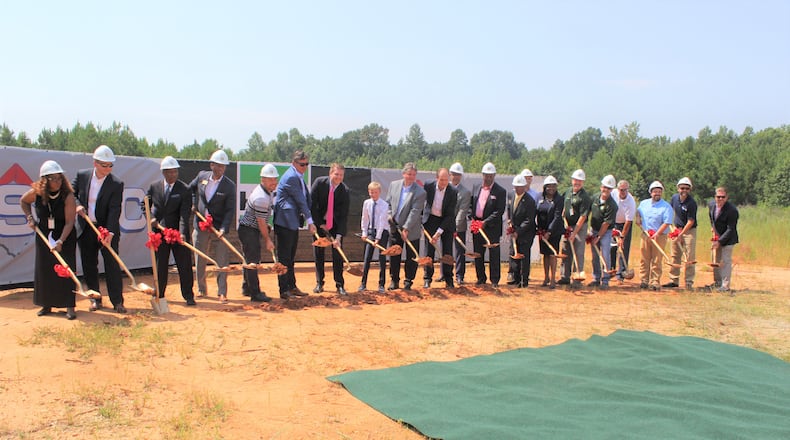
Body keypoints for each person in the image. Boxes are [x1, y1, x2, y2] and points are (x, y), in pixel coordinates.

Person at [20, 161, 78, 319]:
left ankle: (69, 305)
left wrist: (60, 241)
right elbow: (23, 202)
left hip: (64, 235)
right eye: (53, 179)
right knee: (45, 269)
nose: (57, 182)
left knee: (65, 270)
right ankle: (46, 304)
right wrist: (30, 218)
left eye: (59, 178)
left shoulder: (68, 196)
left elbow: (69, 222)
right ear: (45, 180)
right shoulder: (36, 193)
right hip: (44, 234)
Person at [73, 145, 126, 313]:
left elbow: (114, 209)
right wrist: (78, 206)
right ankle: (95, 299)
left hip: (106, 230)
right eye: (105, 165)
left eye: (111, 165)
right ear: (95, 163)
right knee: (89, 265)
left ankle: (117, 301)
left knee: (112, 264)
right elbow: (71, 194)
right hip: (86, 227)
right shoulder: (82, 176)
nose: (108, 168)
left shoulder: (116, 183)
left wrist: (109, 232)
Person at [189, 150, 236, 304]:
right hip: (201, 225)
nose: (221, 169)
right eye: (218, 166)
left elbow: (230, 210)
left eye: (224, 167)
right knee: (200, 258)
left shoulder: (229, 186)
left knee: (222, 260)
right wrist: (194, 203)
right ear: (212, 165)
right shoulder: (202, 176)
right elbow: (190, 190)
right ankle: (201, 289)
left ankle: (222, 292)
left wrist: (223, 228)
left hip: (219, 228)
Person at [147, 156, 195, 306]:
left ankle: (188, 295)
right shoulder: (154, 187)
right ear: (163, 172)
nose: (172, 175)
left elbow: (184, 214)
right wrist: (151, 218)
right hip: (160, 234)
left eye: (175, 172)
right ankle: (160, 293)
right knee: (160, 265)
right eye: (169, 172)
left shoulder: (184, 189)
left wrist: (181, 233)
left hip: (177, 233)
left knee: (184, 265)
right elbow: (145, 205)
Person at [274, 150, 317, 299]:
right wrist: (310, 221)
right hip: (284, 222)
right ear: (294, 163)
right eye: (302, 164)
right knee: (284, 257)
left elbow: (305, 200)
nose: (304, 167)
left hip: (291, 223)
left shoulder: (298, 176)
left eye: (306, 164)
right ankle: (284, 290)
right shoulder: (291, 177)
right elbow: (300, 201)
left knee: (290, 257)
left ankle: (291, 287)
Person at [237, 163, 279, 303]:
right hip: (249, 230)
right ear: (263, 179)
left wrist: (266, 225)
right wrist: (268, 240)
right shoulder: (261, 197)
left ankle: (246, 287)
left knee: (249, 260)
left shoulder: (266, 192)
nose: (274, 182)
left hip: (249, 229)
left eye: (275, 179)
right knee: (253, 261)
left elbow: (261, 219)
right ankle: (255, 293)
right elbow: (260, 221)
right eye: (270, 179)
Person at [385, 162, 427, 291]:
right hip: (394, 227)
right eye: (409, 174)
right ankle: (394, 280)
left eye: (413, 175)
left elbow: (415, 211)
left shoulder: (420, 192)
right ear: (404, 174)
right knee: (394, 254)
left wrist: (406, 228)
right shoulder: (394, 185)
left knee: (411, 256)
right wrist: (389, 215)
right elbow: (388, 203)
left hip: (411, 229)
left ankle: (408, 281)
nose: (411, 177)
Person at [310, 163, 350, 295]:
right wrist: (319, 223)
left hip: (335, 226)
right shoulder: (319, 183)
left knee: (337, 255)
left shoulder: (345, 191)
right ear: (330, 173)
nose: (339, 177)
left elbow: (344, 215)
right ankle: (319, 283)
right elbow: (312, 205)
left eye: (341, 175)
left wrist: (338, 236)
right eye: (336, 174)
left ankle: (339, 285)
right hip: (319, 224)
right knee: (319, 254)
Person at [470, 162, 507, 287]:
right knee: (478, 254)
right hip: (477, 227)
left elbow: (499, 211)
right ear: (482, 175)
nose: (488, 178)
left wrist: (485, 222)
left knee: (494, 255)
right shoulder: (476, 187)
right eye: (486, 175)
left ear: (494, 175)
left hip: (492, 228)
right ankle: (481, 277)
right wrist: (472, 218)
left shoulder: (500, 191)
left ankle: (494, 280)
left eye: (491, 176)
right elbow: (471, 205)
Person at [422, 168, 457, 289]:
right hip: (431, 219)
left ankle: (448, 279)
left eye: (446, 180)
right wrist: (421, 219)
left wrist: (438, 233)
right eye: (441, 180)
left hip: (446, 222)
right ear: (437, 178)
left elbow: (450, 214)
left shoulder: (453, 191)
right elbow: (422, 201)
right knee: (429, 251)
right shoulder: (428, 185)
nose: (444, 183)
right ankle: (427, 278)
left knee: (447, 251)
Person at [634, 181, 673, 290]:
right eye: (655, 191)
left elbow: (667, 222)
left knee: (657, 259)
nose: (657, 193)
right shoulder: (644, 203)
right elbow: (638, 212)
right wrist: (638, 219)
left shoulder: (666, 206)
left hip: (659, 236)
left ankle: (655, 281)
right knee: (644, 258)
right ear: (651, 192)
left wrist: (657, 233)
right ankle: (644, 280)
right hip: (646, 235)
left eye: (659, 192)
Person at [558, 169, 591, 287]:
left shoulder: (585, 197)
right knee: (566, 250)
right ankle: (564, 276)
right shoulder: (567, 192)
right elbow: (564, 206)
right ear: (572, 180)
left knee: (578, 251)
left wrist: (574, 233)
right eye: (575, 180)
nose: (577, 182)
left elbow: (583, 217)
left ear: (583, 182)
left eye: (580, 181)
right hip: (568, 225)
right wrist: (563, 217)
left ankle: (577, 278)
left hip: (580, 227)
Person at [507, 168, 540, 284]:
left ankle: (524, 280)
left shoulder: (529, 201)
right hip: (514, 230)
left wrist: (518, 232)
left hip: (526, 233)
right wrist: (510, 221)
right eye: (515, 186)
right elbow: (509, 209)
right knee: (514, 253)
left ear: (524, 187)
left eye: (520, 186)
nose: (517, 189)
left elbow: (529, 220)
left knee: (524, 255)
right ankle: (515, 278)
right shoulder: (511, 195)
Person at [664, 177, 697, 290]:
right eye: (682, 188)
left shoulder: (691, 203)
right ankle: (673, 280)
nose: (684, 190)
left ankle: (688, 282)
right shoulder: (674, 198)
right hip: (676, 229)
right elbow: (669, 210)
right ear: (678, 188)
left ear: (690, 190)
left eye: (687, 188)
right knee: (675, 255)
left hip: (689, 231)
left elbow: (691, 221)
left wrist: (681, 234)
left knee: (689, 256)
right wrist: (672, 227)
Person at [588, 175, 618, 289]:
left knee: (605, 255)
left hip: (605, 232)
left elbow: (606, 224)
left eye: (609, 188)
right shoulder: (595, 198)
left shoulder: (612, 205)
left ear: (611, 190)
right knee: (595, 256)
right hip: (593, 229)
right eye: (605, 187)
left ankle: (605, 280)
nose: (606, 190)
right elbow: (588, 212)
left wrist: (598, 237)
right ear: (601, 187)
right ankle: (596, 278)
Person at [359, 181, 390, 293]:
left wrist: (378, 238)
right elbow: (365, 218)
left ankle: (381, 285)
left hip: (382, 232)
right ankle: (363, 284)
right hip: (371, 232)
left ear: (379, 192)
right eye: (371, 192)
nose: (373, 194)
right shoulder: (367, 203)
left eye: (375, 192)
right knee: (367, 258)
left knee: (382, 258)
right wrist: (364, 232)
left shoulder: (384, 205)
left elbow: (382, 222)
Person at [709, 187, 739, 293]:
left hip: (729, 238)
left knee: (725, 261)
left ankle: (725, 286)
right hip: (718, 236)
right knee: (715, 260)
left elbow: (731, 229)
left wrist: (720, 242)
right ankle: (717, 282)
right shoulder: (711, 205)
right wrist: (713, 229)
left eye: (723, 197)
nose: (720, 199)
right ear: (715, 197)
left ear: (727, 198)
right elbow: (712, 218)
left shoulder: (732, 210)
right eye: (718, 197)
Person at [536, 175, 564, 288]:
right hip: (542, 231)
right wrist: (539, 229)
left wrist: (550, 232)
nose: (551, 188)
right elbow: (537, 212)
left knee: (553, 254)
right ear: (545, 187)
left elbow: (557, 217)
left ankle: (553, 279)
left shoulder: (559, 199)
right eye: (549, 186)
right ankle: (546, 277)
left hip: (554, 231)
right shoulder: (539, 197)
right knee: (545, 255)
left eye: (553, 186)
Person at [449, 162, 472, 285]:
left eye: (458, 174)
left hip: (459, 226)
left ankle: (459, 275)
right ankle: (445, 273)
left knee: (459, 252)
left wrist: (455, 227)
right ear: (449, 174)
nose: (455, 177)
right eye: (453, 174)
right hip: (445, 226)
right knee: (446, 251)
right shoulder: (444, 188)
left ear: (461, 176)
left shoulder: (465, 192)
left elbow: (463, 210)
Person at [611, 179, 636, 282]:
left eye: (625, 190)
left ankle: (621, 274)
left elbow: (628, 221)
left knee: (623, 248)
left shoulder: (631, 201)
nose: (623, 192)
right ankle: (611, 269)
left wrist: (622, 237)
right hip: (613, 222)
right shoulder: (613, 194)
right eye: (621, 190)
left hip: (625, 224)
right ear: (618, 189)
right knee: (612, 247)